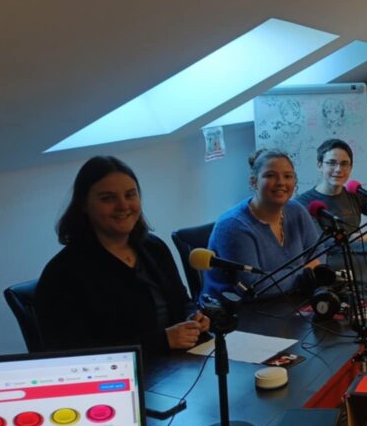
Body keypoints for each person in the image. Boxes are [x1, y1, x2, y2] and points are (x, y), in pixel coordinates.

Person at [36, 156, 210, 357]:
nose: (123, 206)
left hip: (179, 363)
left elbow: (182, 301)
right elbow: (74, 354)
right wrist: (162, 341)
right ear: (83, 204)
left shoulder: (154, 247)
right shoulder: (62, 274)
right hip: (121, 373)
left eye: (130, 195)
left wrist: (193, 317)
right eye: (108, 198)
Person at [202, 149, 324, 300]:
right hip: (237, 309)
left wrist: (305, 272)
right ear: (253, 182)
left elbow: (319, 254)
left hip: (288, 300)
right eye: (270, 176)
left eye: (288, 176)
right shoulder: (233, 226)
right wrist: (305, 273)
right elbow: (254, 287)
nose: (281, 182)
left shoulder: (297, 210)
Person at [296, 138, 367, 253]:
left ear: (351, 168)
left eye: (344, 164)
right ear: (319, 165)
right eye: (331, 163)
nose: (338, 169)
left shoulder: (355, 194)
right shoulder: (303, 203)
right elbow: (322, 244)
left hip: (358, 259)